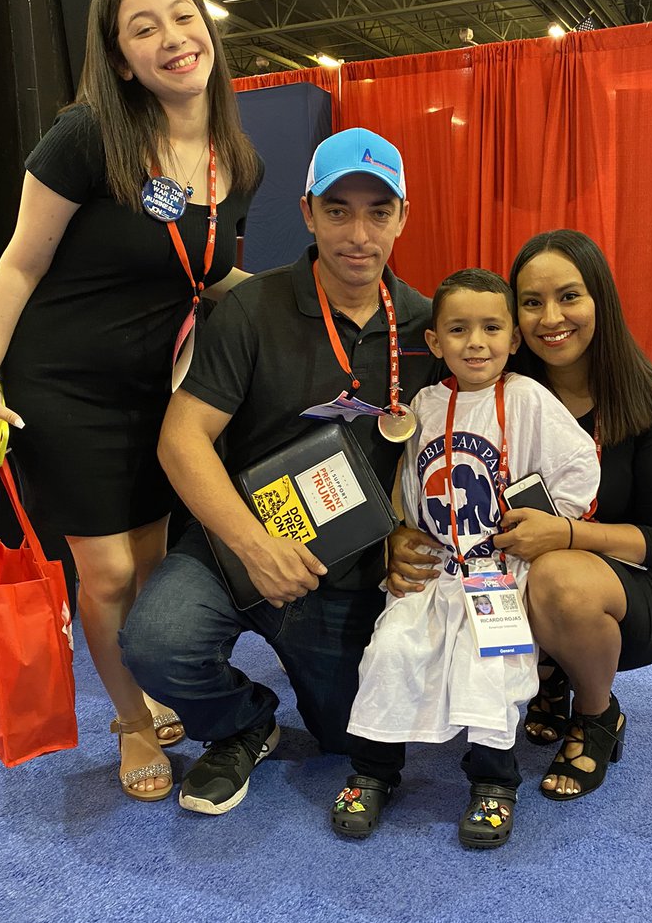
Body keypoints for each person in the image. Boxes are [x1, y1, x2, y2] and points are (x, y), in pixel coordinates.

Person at [0, 0, 262, 801]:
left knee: (151, 562)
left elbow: (206, 278)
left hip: (155, 393)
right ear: (122, 59)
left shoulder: (237, 163)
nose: (173, 38)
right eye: (144, 28)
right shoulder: (88, 137)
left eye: (182, 15)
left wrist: (300, 300)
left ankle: (149, 682)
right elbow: (19, 265)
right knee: (105, 577)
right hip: (61, 388)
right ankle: (132, 719)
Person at [120, 127, 444, 816]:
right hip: (235, 548)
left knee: (340, 739)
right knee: (155, 644)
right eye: (338, 210)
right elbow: (182, 442)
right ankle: (243, 723)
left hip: (344, 572)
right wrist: (255, 547)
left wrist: (408, 531)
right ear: (306, 213)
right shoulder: (251, 308)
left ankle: (301, 697)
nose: (358, 233)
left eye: (378, 212)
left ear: (403, 217)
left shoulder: (430, 327)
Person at [331, 269, 600, 849]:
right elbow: (402, 482)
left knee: (491, 672)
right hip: (432, 572)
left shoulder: (527, 399)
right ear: (434, 342)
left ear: (513, 338)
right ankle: (373, 772)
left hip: (497, 577)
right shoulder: (422, 406)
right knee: (391, 652)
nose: (475, 342)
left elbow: (580, 464)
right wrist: (401, 529)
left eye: (491, 327)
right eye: (458, 329)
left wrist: (552, 524)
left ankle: (493, 782)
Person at [491, 229, 652, 802]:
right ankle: (549, 676)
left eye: (569, 296)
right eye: (531, 302)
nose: (550, 317)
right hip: (519, 573)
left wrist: (569, 535)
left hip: (637, 588)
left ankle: (599, 714)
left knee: (559, 573)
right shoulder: (499, 395)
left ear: (600, 299)